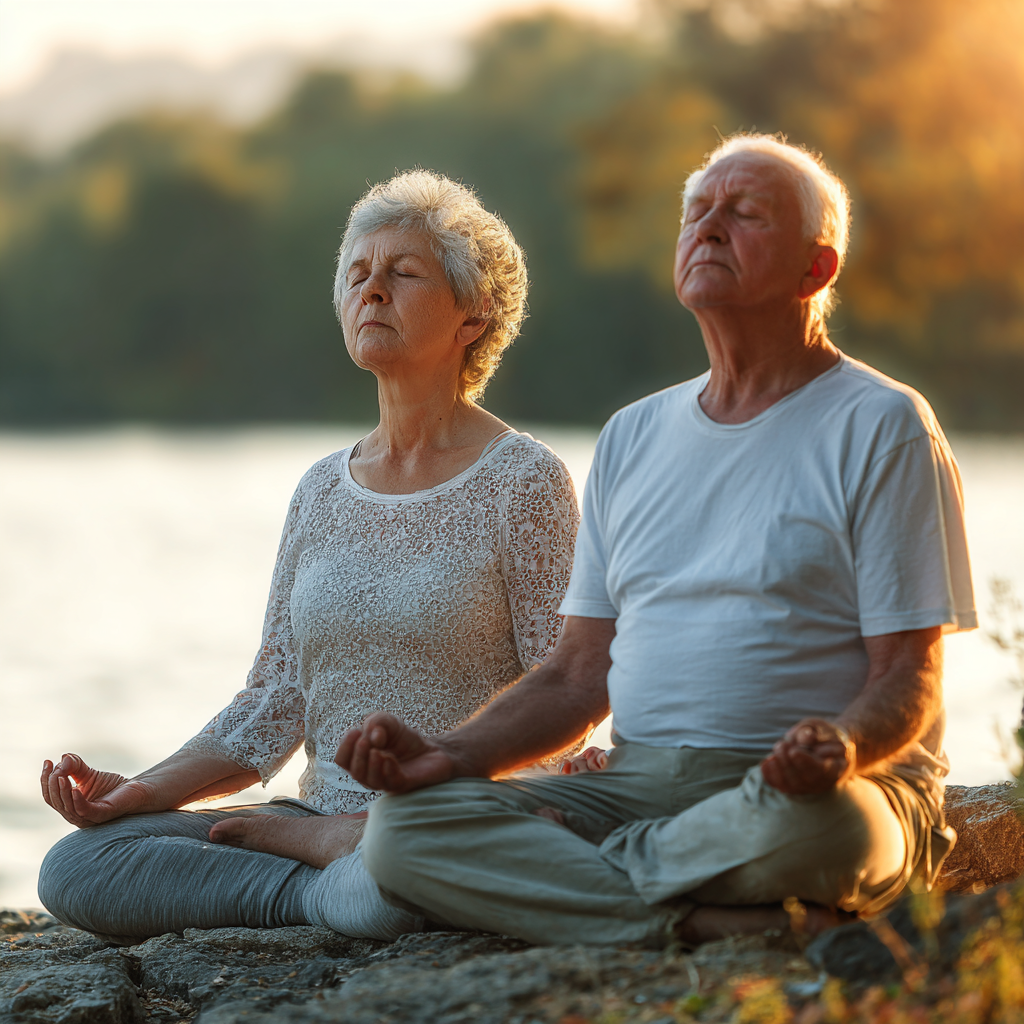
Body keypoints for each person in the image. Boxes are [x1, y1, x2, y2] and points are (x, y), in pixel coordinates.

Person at [329, 134, 976, 948]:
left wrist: (840, 746)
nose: (709, 229)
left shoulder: (881, 424)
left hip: (815, 792)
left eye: (745, 215)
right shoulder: (634, 435)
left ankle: (587, 877)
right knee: (403, 832)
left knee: (830, 833)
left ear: (817, 269)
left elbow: (910, 674)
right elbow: (575, 675)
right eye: (696, 213)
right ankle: (698, 918)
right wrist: (446, 759)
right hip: (638, 786)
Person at [37, 170, 581, 942]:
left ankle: (350, 871)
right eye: (358, 274)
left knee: (407, 858)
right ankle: (317, 884)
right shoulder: (322, 489)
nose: (372, 291)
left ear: (474, 314)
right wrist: (142, 792)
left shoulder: (524, 480)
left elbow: (564, 693)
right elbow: (274, 701)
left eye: (404, 273)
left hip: (442, 819)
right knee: (77, 866)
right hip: (308, 819)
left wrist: (454, 800)